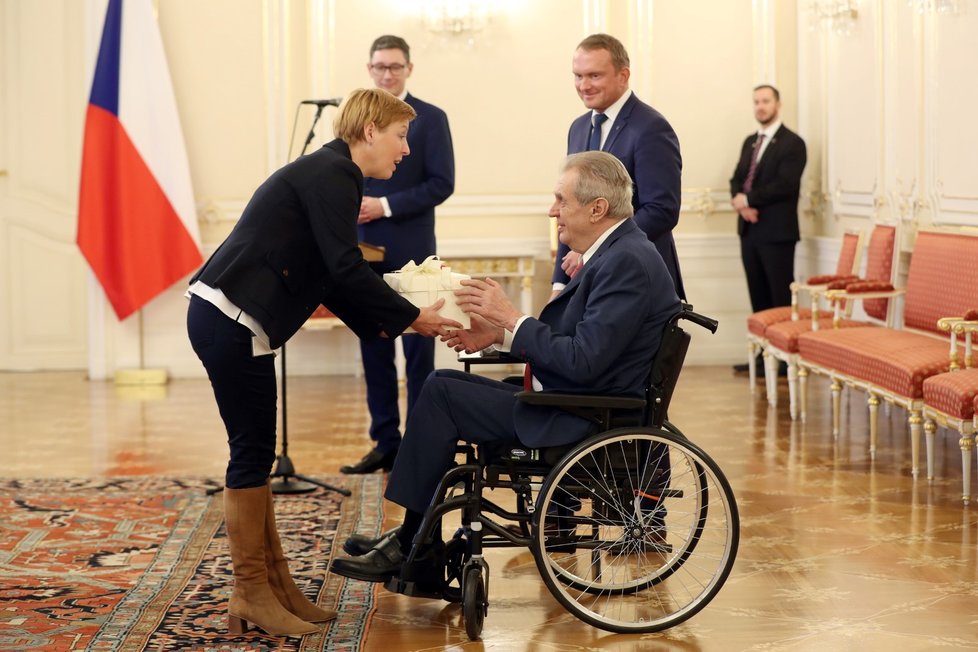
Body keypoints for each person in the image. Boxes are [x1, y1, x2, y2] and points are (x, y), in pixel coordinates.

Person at [330, 151, 681, 583]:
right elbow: (580, 350)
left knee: (441, 392)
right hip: (576, 400)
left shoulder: (625, 261)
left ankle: (410, 545)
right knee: (444, 382)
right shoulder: (621, 252)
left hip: (586, 414)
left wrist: (510, 318)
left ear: (597, 208)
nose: (553, 211)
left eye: (560, 200)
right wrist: (497, 336)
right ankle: (414, 538)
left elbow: (584, 360)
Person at [186, 88, 460, 637]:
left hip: (239, 320)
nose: (405, 150)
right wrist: (409, 319)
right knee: (251, 455)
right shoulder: (335, 175)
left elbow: (331, 274)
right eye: (401, 136)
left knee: (257, 453)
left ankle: (276, 586)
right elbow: (343, 268)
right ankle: (250, 593)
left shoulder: (334, 172)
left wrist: (389, 323)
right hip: (230, 320)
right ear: (370, 132)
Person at [342, 35, 456, 476]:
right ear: (369, 69)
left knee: (418, 352)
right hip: (364, 250)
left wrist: (384, 205)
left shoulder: (432, 119)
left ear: (409, 68)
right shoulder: (360, 119)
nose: (386, 74)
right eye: (379, 67)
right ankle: (385, 442)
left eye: (394, 67)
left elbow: (441, 184)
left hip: (411, 250)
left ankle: (422, 444)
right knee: (374, 344)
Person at [552, 33, 685, 300]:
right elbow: (569, 208)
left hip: (638, 279)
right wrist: (558, 284)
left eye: (594, 76)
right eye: (578, 76)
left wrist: (593, 249)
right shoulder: (578, 128)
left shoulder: (651, 127)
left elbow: (662, 211)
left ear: (623, 76)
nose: (584, 85)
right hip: (585, 282)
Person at [730, 84, 807, 373]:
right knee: (758, 298)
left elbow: (785, 186)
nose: (760, 106)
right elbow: (737, 179)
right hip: (748, 231)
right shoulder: (750, 141)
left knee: (778, 299)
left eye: (765, 101)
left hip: (777, 234)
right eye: (756, 102)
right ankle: (763, 361)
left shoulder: (793, 143)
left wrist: (748, 199)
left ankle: (784, 361)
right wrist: (741, 203)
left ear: (778, 104)